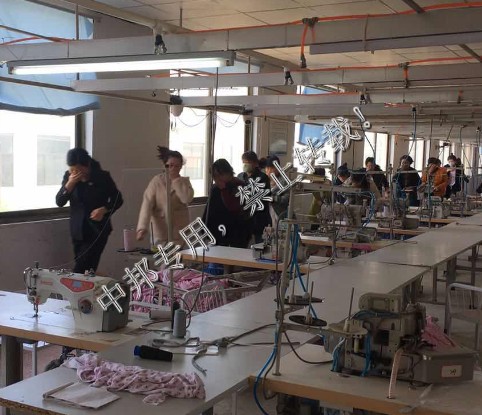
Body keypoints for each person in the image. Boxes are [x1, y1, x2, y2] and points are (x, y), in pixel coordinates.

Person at [56, 148, 123, 274]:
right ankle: (87, 286)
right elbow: (59, 201)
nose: (76, 173)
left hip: (97, 230)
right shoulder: (69, 177)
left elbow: (118, 199)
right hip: (77, 231)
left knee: (81, 269)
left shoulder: (102, 177)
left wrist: (104, 209)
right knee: (86, 270)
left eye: (79, 170)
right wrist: (70, 184)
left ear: (87, 166)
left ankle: (77, 286)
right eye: (72, 170)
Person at [137, 146, 194, 247]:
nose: (173, 168)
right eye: (170, 165)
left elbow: (186, 199)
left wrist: (176, 181)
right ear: (165, 165)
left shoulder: (184, 182)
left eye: (177, 166)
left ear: (181, 166)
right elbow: (147, 204)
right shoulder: (156, 181)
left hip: (178, 231)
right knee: (162, 256)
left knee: (177, 256)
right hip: (160, 230)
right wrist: (142, 227)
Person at [203, 159, 252, 248]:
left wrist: (224, 190)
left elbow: (235, 207)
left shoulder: (240, 186)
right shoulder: (215, 189)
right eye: (215, 176)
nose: (218, 179)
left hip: (238, 232)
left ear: (228, 173)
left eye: (220, 175)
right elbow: (209, 211)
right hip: (218, 233)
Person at [237, 151, 272, 243]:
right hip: (244, 219)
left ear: (255, 163)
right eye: (244, 162)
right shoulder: (240, 176)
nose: (245, 165)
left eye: (248, 162)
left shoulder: (262, 178)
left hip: (259, 219)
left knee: (261, 245)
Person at [265, 155, 290, 227]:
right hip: (268, 215)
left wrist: (274, 198)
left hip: (279, 214)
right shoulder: (265, 180)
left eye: (271, 168)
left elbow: (287, 199)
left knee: (279, 231)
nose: (268, 170)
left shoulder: (284, 181)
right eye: (267, 168)